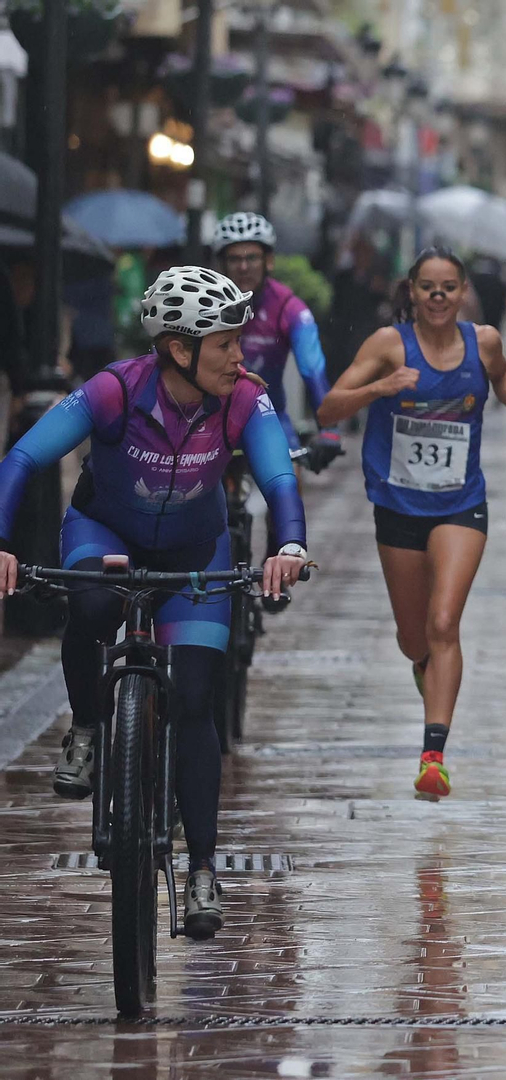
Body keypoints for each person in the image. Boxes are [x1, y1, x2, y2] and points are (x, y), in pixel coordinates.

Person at [0, 265, 308, 937]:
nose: (240, 355)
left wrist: (288, 544)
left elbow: (279, 478)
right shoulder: (115, 390)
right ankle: (87, 728)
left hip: (195, 549)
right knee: (90, 608)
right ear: (178, 348)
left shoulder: (242, 398)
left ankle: (201, 870)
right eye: (225, 343)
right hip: (105, 531)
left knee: (194, 697)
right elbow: (22, 458)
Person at [318, 248, 506, 801]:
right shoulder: (388, 345)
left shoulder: (483, 341)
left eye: (448, 287)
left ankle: (433, 756)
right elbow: (328, 408)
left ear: (463, 293)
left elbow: (505, 377)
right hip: (398, 506)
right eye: (428, 287)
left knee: (443, 622)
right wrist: (380, 389)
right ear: (412, 292)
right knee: (413, 637)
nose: (438, 297)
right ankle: (423, 665)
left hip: (461, 504)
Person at [212, 213, 343, 473]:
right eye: (235, 259)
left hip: (269, 418)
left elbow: (312, 370)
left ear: (268, 261)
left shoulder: (288, 307)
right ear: (222, 264)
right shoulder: (206, 303)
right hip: (212, 422)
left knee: (288, 484)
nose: (243, 267)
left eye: (252, 258)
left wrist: (329, 428)